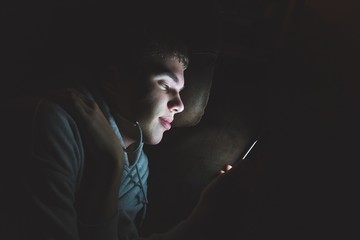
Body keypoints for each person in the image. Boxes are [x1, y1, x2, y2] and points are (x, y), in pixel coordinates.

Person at [0, 29, 264, 240]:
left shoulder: (140, 164)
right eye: (165, 85)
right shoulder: (50, 124)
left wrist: (205, 214)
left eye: (181, 91)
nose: (180, 105)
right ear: (115, 80)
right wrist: (109, 166)